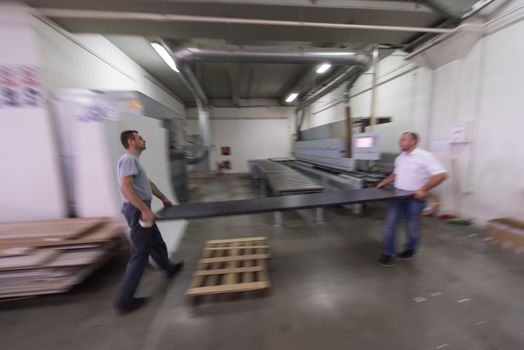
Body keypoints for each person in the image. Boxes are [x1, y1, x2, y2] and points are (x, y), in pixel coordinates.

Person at [114, 130, 184, 313]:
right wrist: (144, 210)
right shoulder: (128, 160)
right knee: (140, 254)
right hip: (137, 210)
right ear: (131, 141)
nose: (144, 140)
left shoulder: (135, 161)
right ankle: (124, 301)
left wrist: (164, 198)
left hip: (141, 208)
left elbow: (148, 183)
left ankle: (169, 268)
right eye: (140, 138)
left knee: (156, 242)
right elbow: (126, 187)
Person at [376, 132, 447, 267]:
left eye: (403, 139)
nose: (400, 142)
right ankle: (388, 253)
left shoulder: (424, 156)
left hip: (414, 198)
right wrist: (384, 181)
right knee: (390, 224)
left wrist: (423, 189)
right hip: (397, 196)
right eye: (400, 139)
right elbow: (396, 174)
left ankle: (410, 249)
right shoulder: (400, 158)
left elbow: (441, 175)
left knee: (412, 227)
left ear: (413, 142)